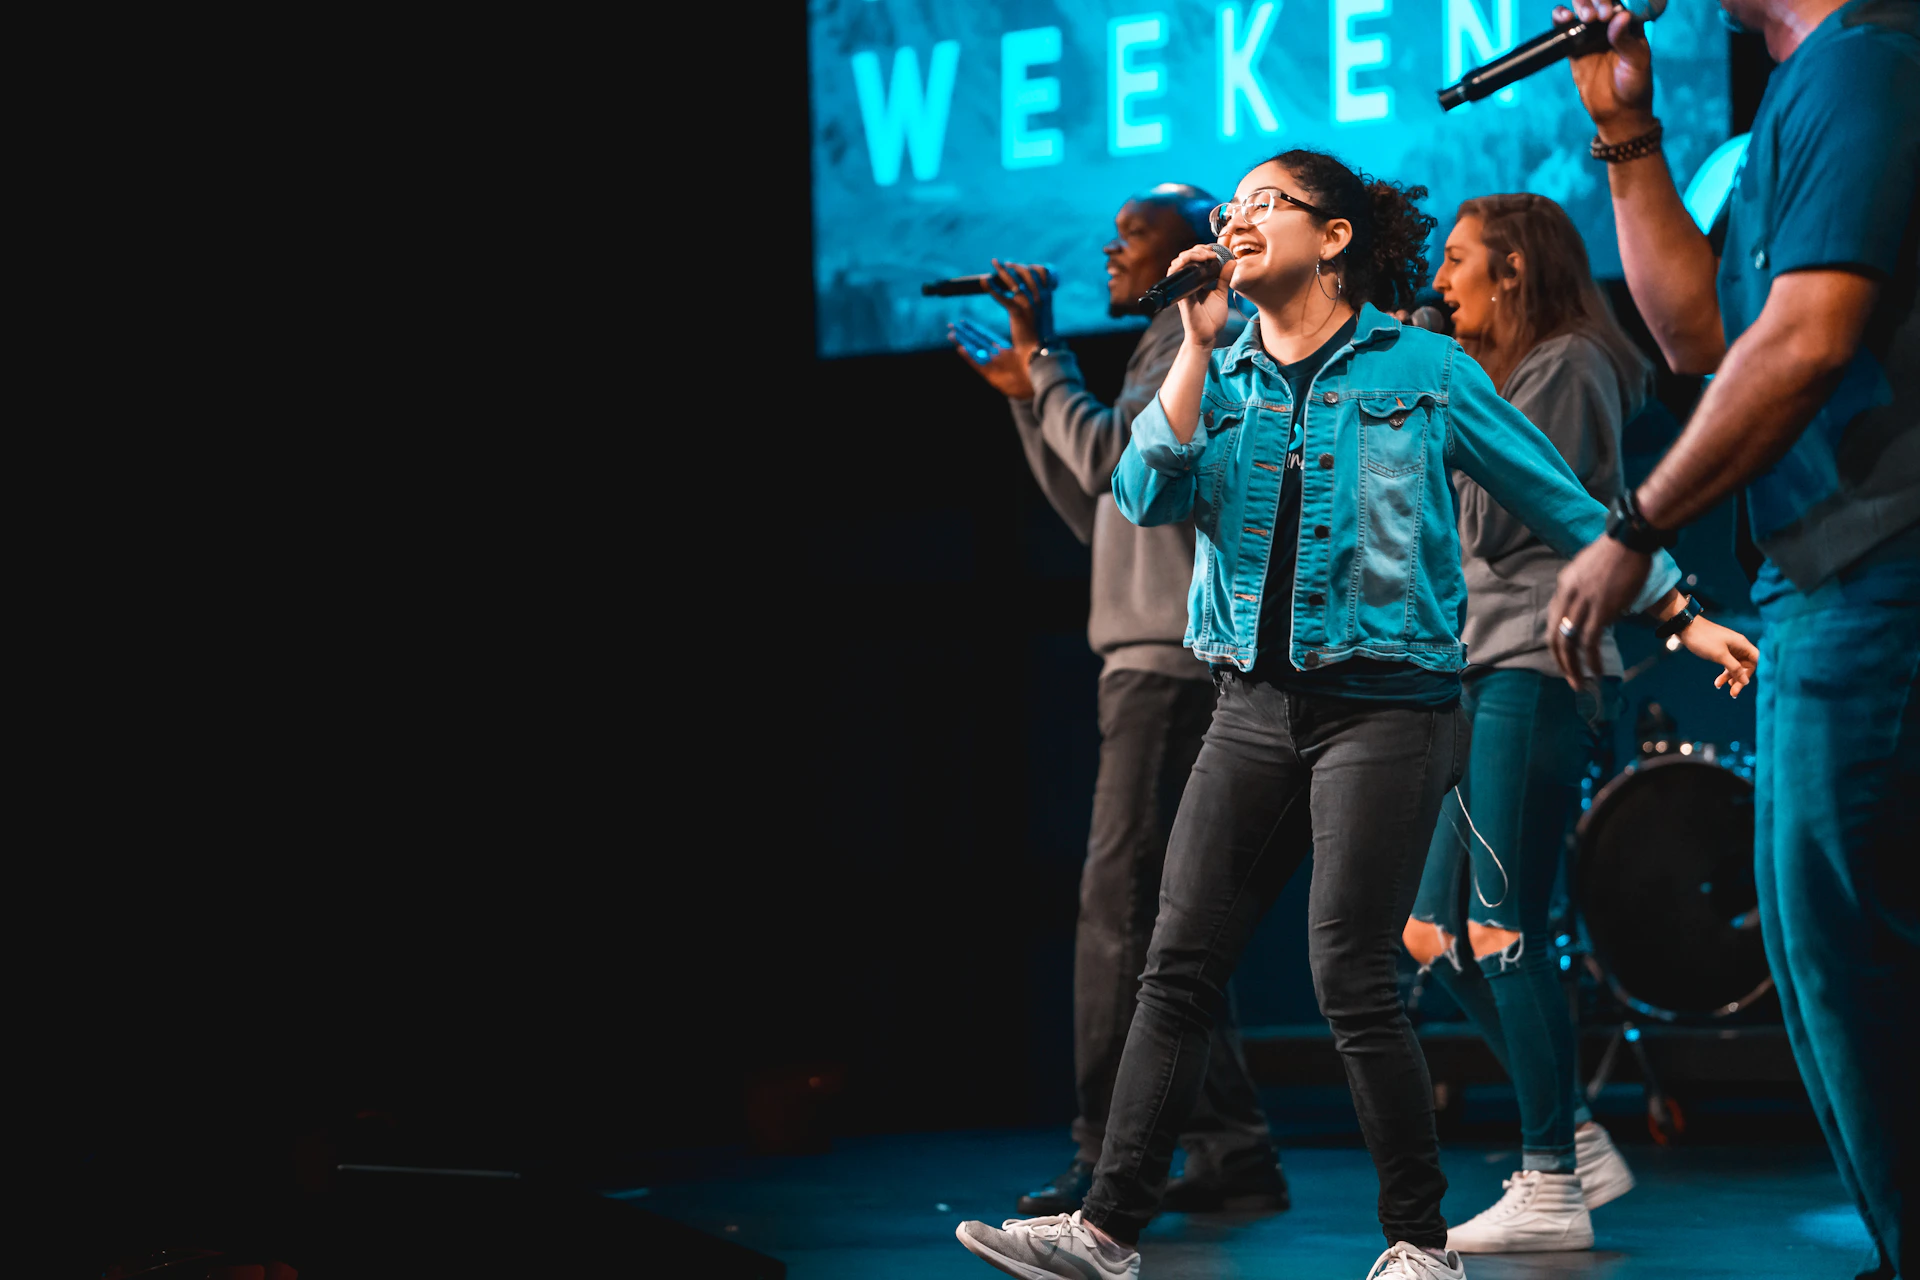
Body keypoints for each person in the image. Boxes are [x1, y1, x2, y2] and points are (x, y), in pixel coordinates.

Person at [953, 147, 1755, 1280]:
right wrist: (1192, 341)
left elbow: (1558, 497)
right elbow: (1141, 490)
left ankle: (1420, 1244)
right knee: (1178, 959)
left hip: (1386, 707)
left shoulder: (1424, 368)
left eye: (1266, 205)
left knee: (1351, 975)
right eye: (1232, 208)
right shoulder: (1219, 367)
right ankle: (1108, 1228)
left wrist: (1679, 612)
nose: (1237, 222)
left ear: (1332, 238)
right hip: (1249, 705)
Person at [1548, 3, 1919, 1276]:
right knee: (1831, 951)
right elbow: (1700, 334)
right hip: (1819, 574)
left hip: (1882, 559)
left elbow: (1808, 336)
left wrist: (1637, 521)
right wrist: (1627, 131)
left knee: (1858, 943)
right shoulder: (1790, 103)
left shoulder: (1867, 61)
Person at [1405, 193, 1754, 1255]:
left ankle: (1551, 1171)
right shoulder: (1508, 372)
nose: (1442, 280)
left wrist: (1432, 418)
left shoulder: (1567, 367)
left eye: (1459, 260)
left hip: (1534, 665)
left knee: (1505, 924)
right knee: (1430, 931)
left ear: (1512, 268)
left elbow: (1509, 516)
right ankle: (1577, 1139)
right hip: (1479, 665)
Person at [948, 184, 1289, 1218]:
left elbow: (1109, 459)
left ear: (1194, 252)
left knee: (1120, 912)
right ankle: (1230, 1143)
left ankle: (1105, 1153)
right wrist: (1025, 391)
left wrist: (1044, 360)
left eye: (1133, 233)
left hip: (1170, 668)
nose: (1109, 246)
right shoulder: (1154, 350)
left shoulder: (1197, 342)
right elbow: (1101, 512)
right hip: (1144, 661)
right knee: (1155, 920)